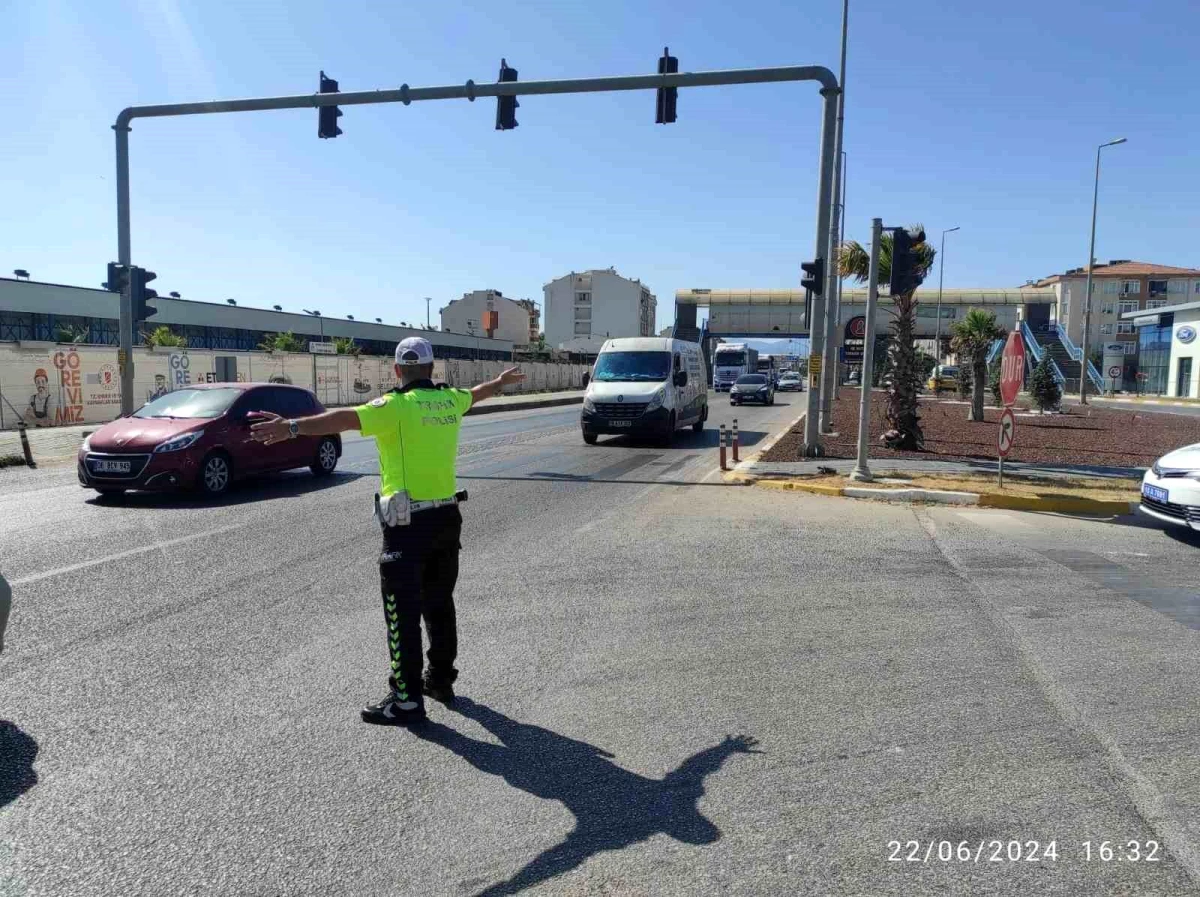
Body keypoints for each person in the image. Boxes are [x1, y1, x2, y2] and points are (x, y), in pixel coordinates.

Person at [251, 337, 524, 725]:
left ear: (397, 371)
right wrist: (498, 383)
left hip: (408, 524)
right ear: (432, 369)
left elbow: (345, 418)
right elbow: (475, 395)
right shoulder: (450, 401)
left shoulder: (394, 407)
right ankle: (440, 680)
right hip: (448, 518)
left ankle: (407, 700)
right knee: (440, 603)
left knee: (402, 612)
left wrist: (291, 427)